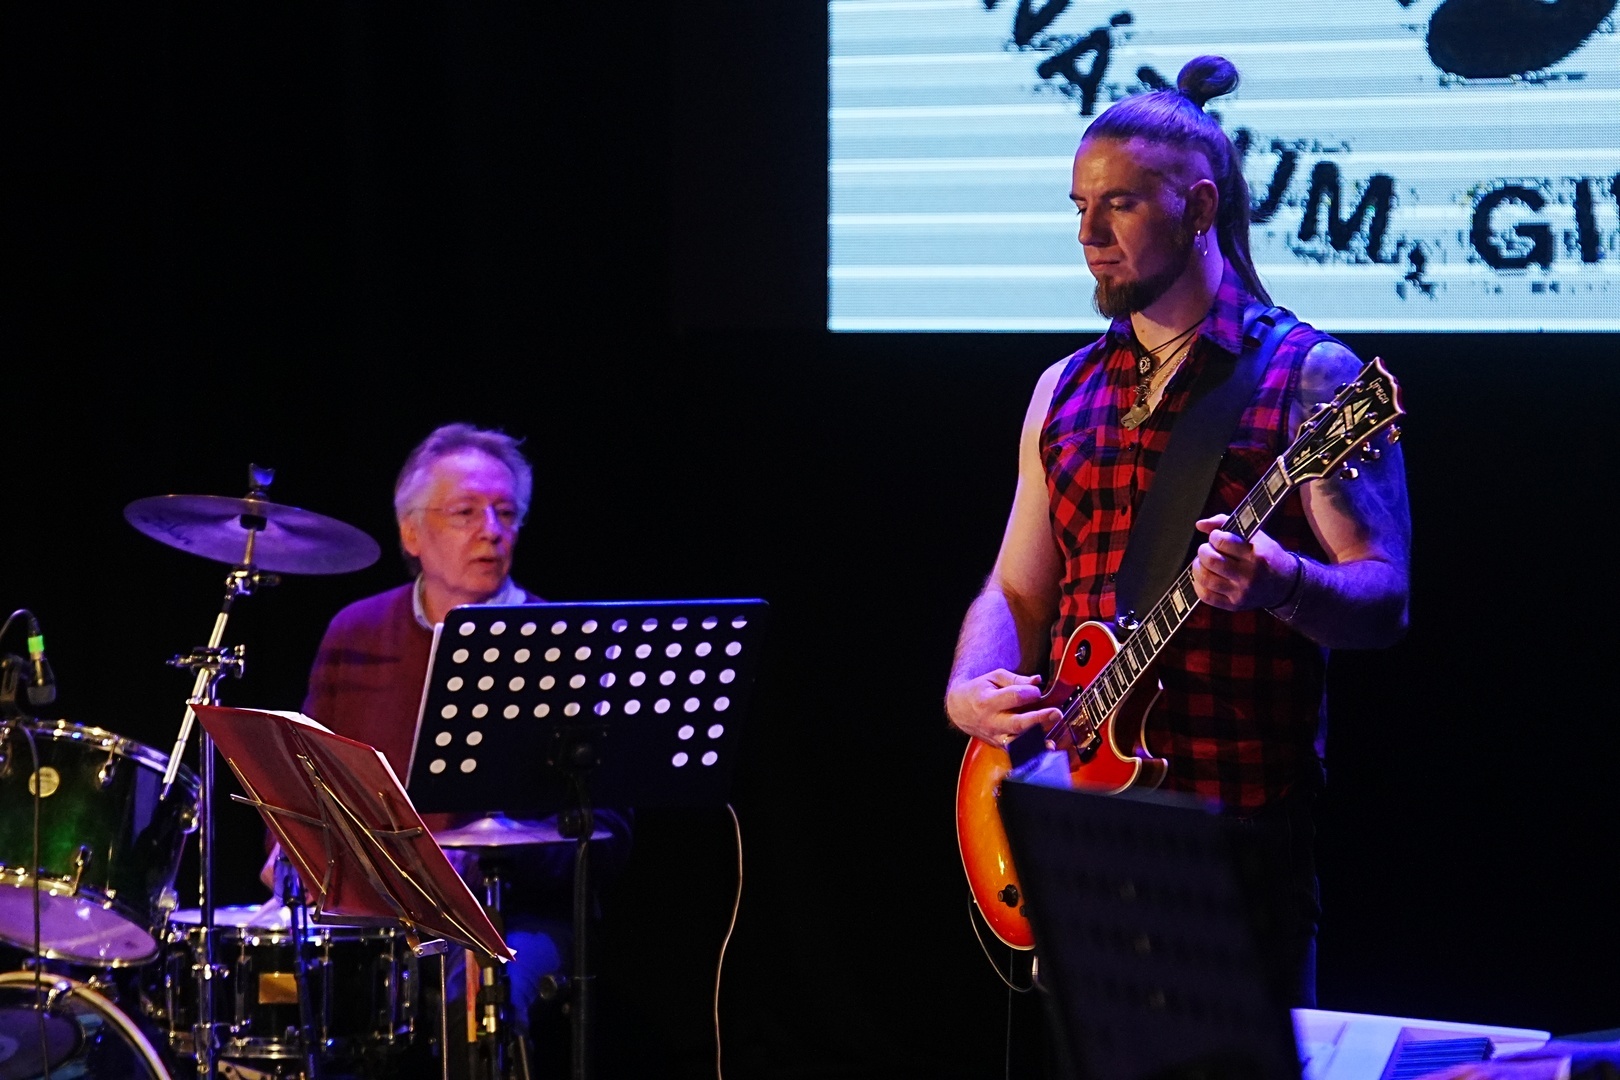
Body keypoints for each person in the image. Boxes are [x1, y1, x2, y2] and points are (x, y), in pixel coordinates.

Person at [944, 56, 1411, 1008]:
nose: (1088, 235)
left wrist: (1284, 583)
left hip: (1232, 832)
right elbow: (1016, 589)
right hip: (1077, 825)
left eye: (1118, 205)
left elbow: (1384, 596)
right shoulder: (1062, 389)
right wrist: (968, 693)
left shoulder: (1308, 378)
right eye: (1080, 207)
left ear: (1199, 208)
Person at [263, 422, 628, 1076]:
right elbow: (303, 780)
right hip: (374, 912)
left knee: (472, 987)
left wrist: (497, 857)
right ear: (411, 533)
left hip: (514, 916)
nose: (491, 531)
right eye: (465, 513)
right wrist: (288, 854)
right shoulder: (356, 632)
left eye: (505, 512)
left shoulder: (561, 644)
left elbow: (609, 830)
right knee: (272, 987)